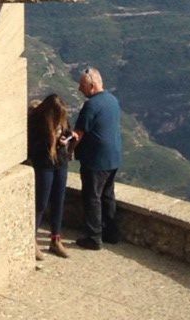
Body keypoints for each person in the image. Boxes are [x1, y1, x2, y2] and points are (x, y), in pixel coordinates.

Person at [71, 67, 122, 250]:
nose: (79, 89)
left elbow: (78, 134)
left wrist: (66, 150)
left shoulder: (91, 105)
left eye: (81, 85)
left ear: (91, 86)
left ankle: (94, 237)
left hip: (96, 160)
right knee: (108, 195)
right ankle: (111, 233)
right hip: (113, 157)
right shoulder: (112, 100)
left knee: (92, 197)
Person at [27, 94, 72, 260]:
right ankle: (32, 240)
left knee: (58, 201)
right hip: (44, 164)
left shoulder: (63, 120)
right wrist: (51, 141)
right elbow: (33, 147)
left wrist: (65, 139)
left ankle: (56, 239)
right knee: (41, 203)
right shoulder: (37, 123)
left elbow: (67, 131)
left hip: (60, 162)